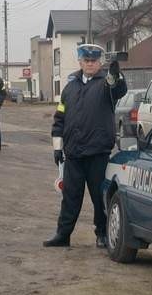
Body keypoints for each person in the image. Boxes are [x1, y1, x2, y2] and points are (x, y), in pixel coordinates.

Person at [43, 44, 127, 248]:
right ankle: (63, 235)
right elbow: (60, 118)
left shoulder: (106, 84)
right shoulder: (69, 88)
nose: (90, 64)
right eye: (86, 61)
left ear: (99, 63)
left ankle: (103, 234)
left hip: (97, 153)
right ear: (80, 62)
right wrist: (57, 146)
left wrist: (117, 75)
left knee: (100, 198)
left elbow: (118, 89)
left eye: (94, 61)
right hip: (73, 153)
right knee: (70, 197)